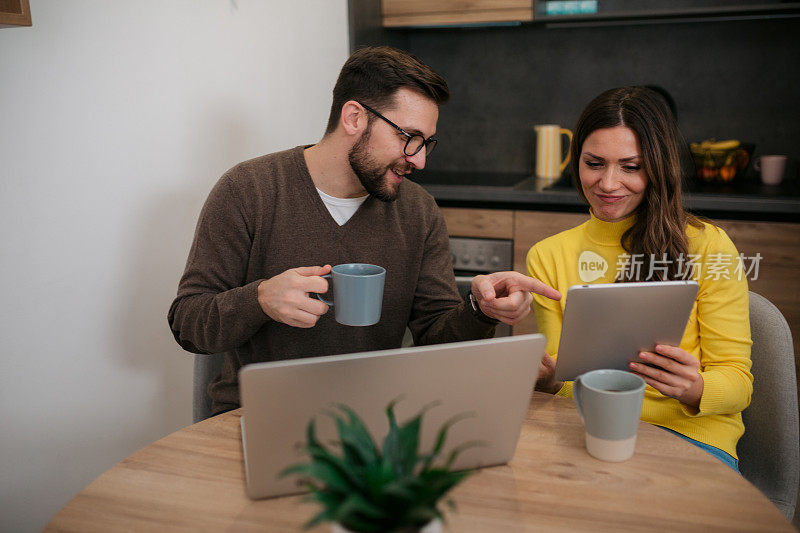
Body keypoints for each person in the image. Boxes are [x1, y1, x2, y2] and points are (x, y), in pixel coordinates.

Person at [168, 46, 560, 415]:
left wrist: (480, 308)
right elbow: (188, 325)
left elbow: (436, 343)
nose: (419, 160)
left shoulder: (418, 211)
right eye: (408, 138)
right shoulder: (248, 190)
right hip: (256, 417)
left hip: (370, 420)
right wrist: (261, 299)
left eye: (426, 143)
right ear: (354, 117)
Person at [528, 86, 752, 470]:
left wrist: (695, 388)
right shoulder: (547, 256)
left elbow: (738, 382)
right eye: (594, 163)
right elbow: (566, 385)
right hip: (591, 429)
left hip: (693, 438)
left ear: (658, 167)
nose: (609, 184)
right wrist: (546, 381)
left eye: (631, 167)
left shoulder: (708, 245)